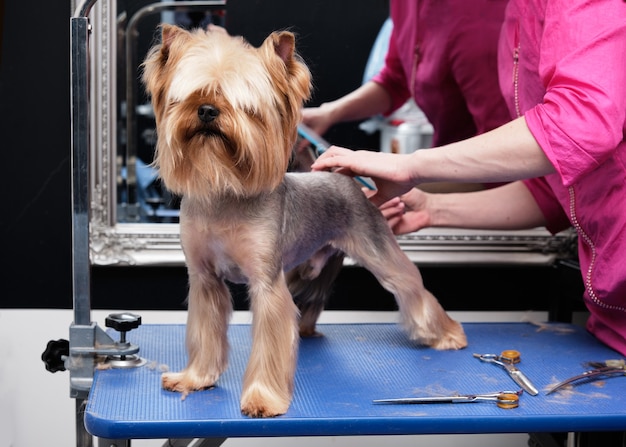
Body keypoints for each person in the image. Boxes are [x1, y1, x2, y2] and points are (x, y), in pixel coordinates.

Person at [311, 0, 626, 357]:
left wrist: (413, 166)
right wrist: (431, 207)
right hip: (610, 319)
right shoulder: (515, 15)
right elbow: (552, 186)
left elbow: (578, 126)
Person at [301, 0, 511, 191]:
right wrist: (328, 113)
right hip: (445, 173)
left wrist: (397, 182)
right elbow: (397, 79)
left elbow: (503, 160)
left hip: (487, 188)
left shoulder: (480, 21)